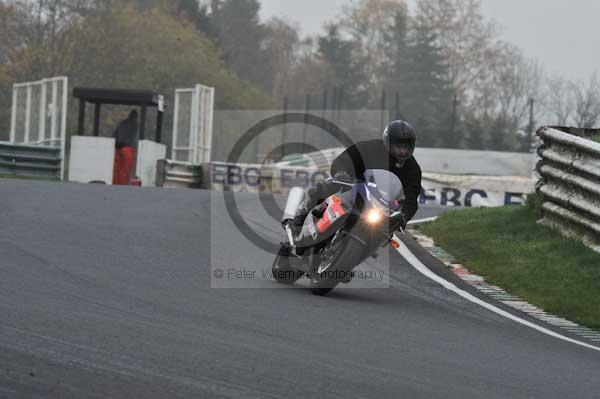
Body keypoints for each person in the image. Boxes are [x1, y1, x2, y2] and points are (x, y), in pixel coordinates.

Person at [295, 120, 422, 233]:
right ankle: (301, 216)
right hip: (353, 187)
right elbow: (344, 159)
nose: (402, 151)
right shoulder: (370, 148)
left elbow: (411, 199)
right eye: (398, 146)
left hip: (381, 205)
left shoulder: (413, 168)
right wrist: (341, 173)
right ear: (388, 141)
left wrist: (404, 216)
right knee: (325, 188)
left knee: (388, 232)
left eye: (406, 147)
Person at [112, 110, 139, 185]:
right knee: (126, 170)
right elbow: (134, 137)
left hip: (117, 148)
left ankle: (115, 184)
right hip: (128, 149)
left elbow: (114, 135)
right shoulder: (135, 124)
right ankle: (123, 185)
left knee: (117, 170)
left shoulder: (122, 123)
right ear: (136, 117)